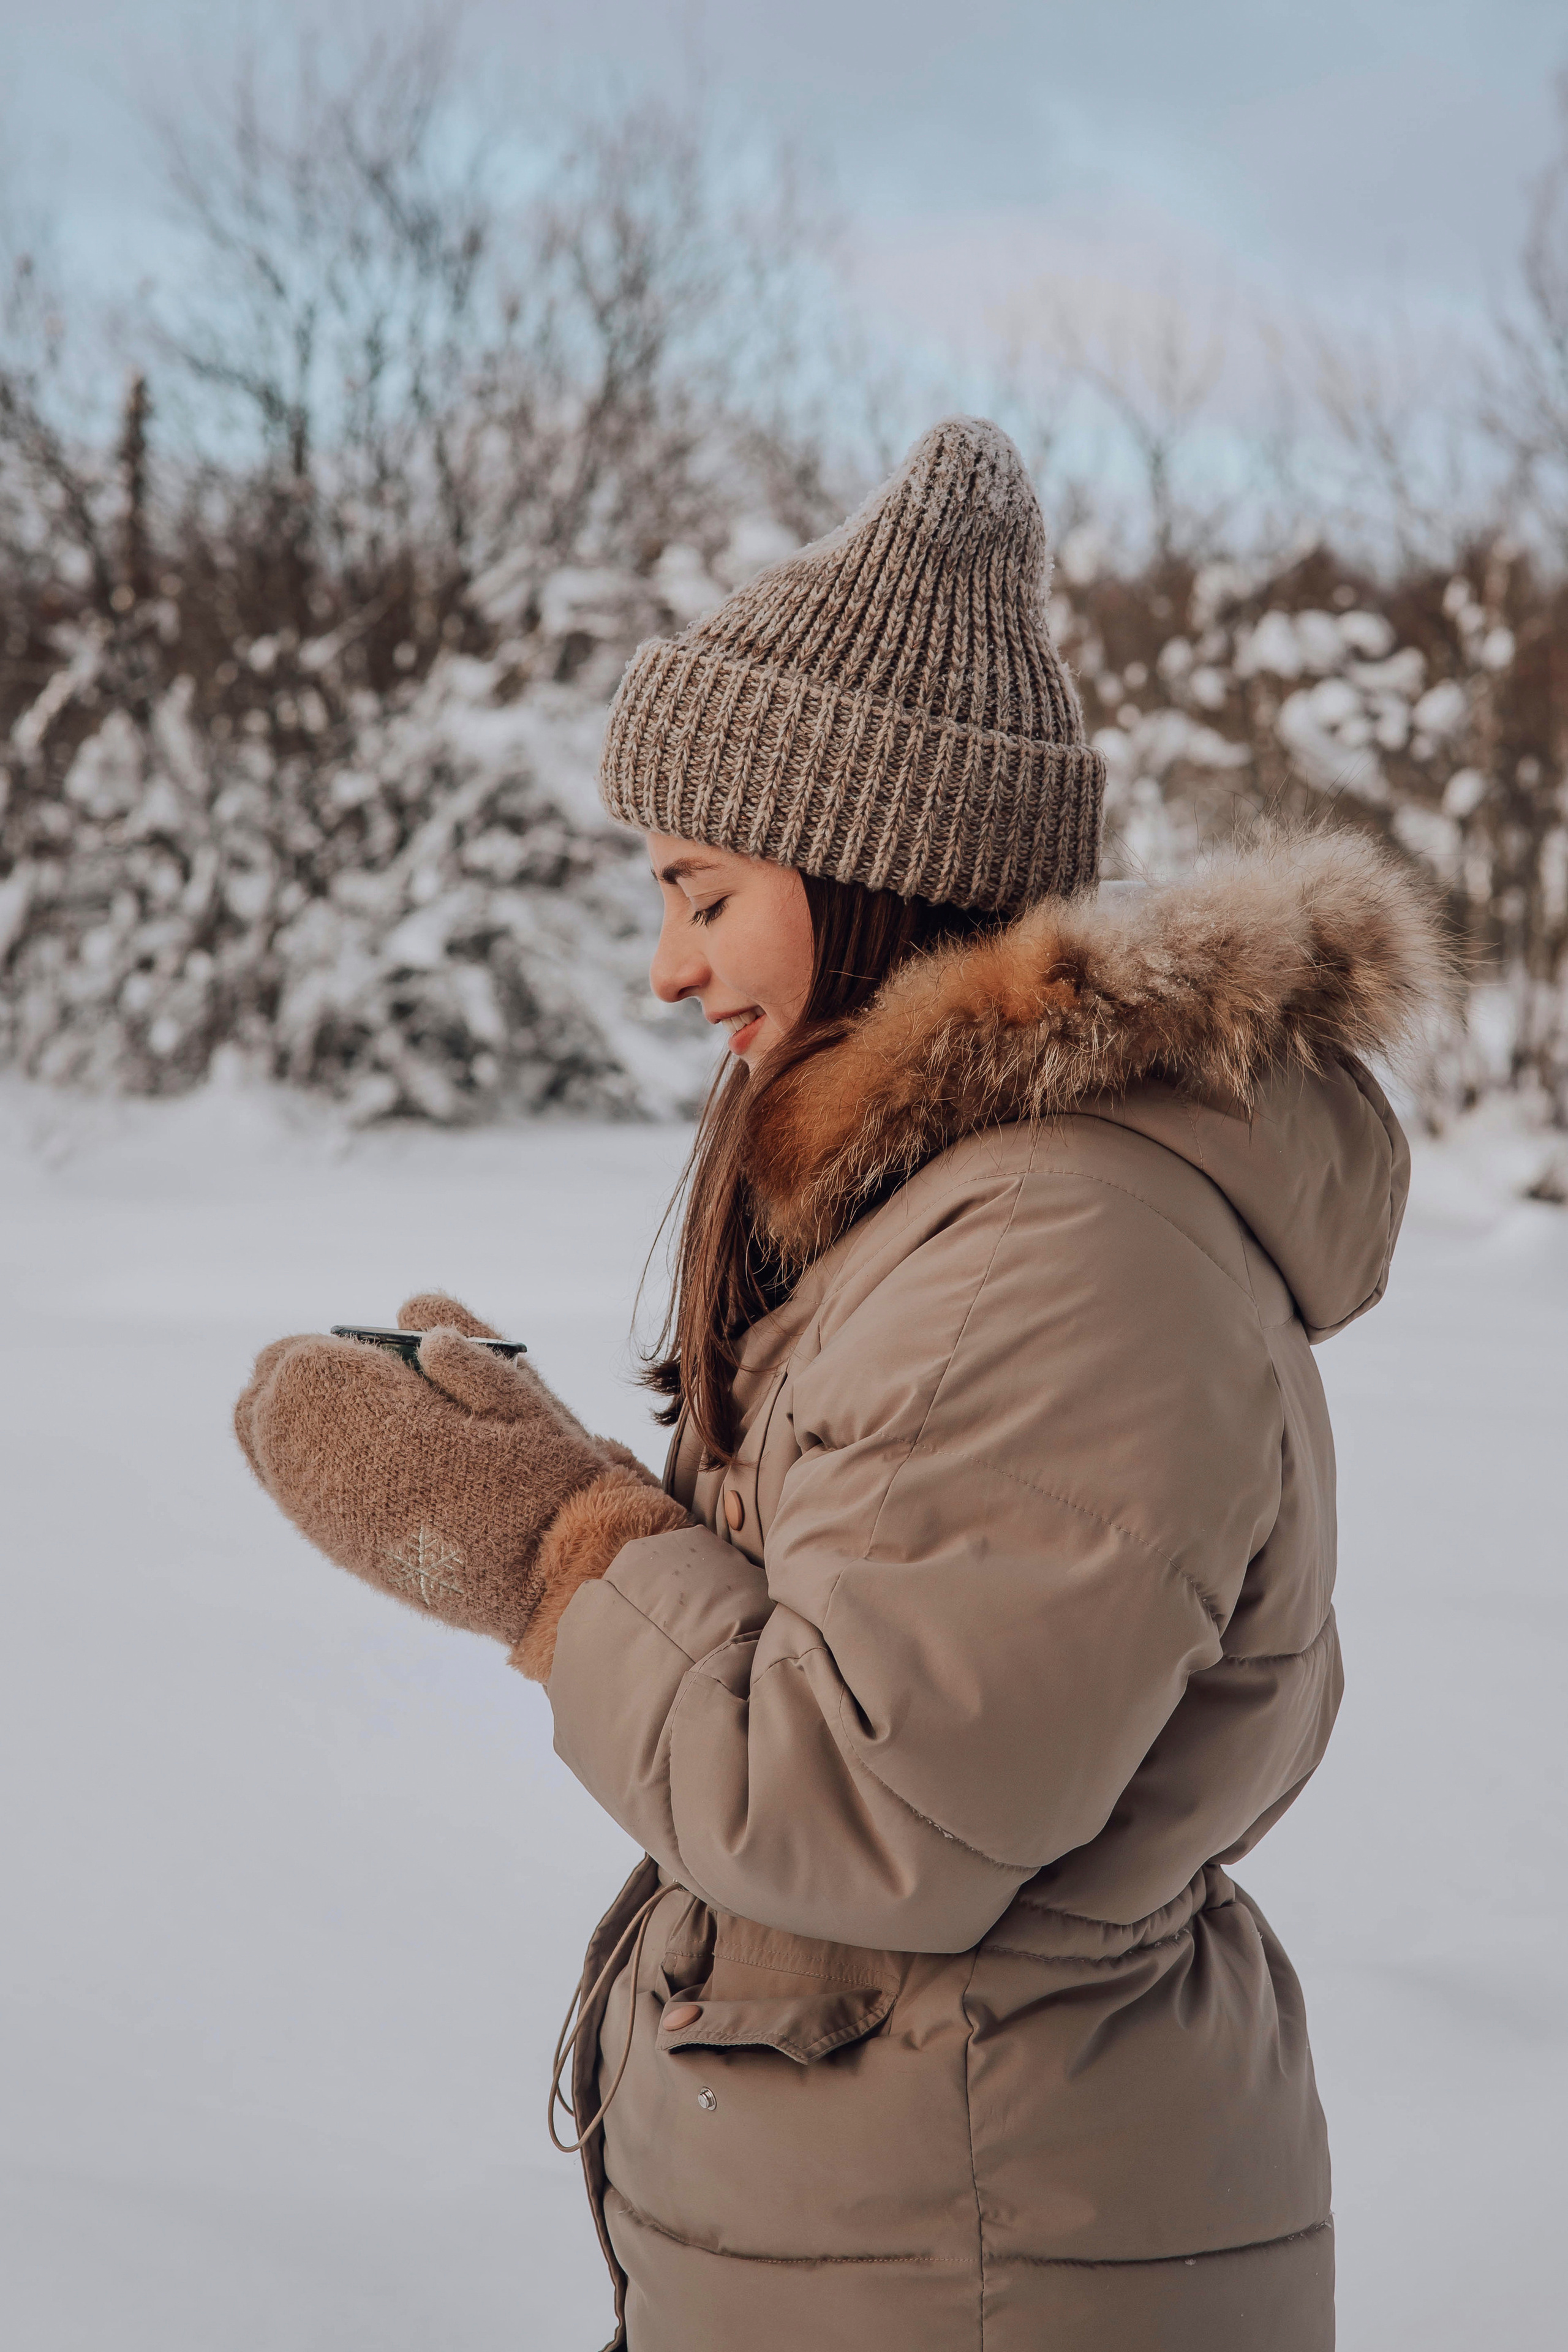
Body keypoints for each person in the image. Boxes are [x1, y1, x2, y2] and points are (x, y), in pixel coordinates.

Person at [236, 418, 1447, 2351]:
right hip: (926, 2218)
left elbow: (872, 1806)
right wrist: (575, 1483)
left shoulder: (1060, 1256)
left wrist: (551, 1549)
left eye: (704, 891)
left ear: (871, 865)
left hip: (987, 2253)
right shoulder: (966, 1216)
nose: (667, 967)